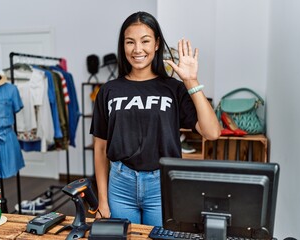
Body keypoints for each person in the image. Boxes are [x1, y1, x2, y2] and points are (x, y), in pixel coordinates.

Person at [90, 11, 221, 226]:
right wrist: (102, 200)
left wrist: (190, 80)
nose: (137, 49)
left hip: (161, 184)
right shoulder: (108, 90)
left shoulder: (173, 88)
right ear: (123, 46)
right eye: (130, 42)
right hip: (120, 184)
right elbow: (100, 148)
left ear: (157, 44)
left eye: (145, 41)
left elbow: (212, 132)